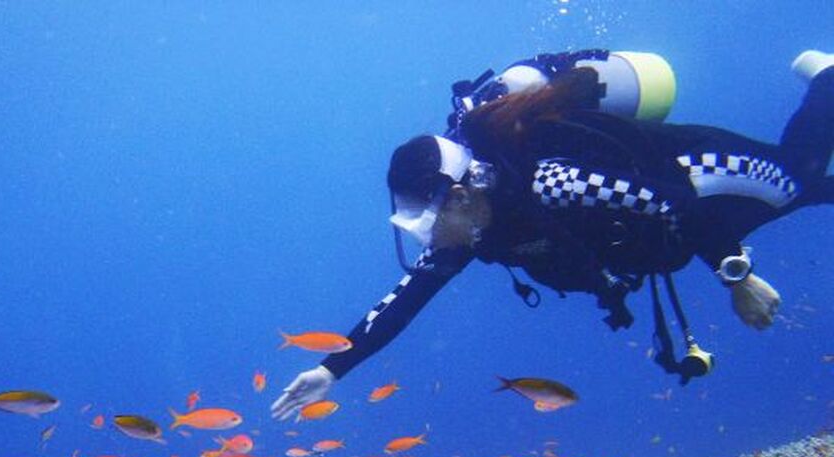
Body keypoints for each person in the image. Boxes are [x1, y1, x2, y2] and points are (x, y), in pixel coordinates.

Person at [271, 49, 834, 421]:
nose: (431, 240)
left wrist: (736, 273)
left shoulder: (556, 182)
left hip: (691, 169)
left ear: (464, 195)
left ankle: (826, 77)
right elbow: (406, 299)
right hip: (662, 227)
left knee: (793, 181)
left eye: (431, 222)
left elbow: (677, 205)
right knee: (810, 189)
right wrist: (330, 369)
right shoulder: (469, 227)